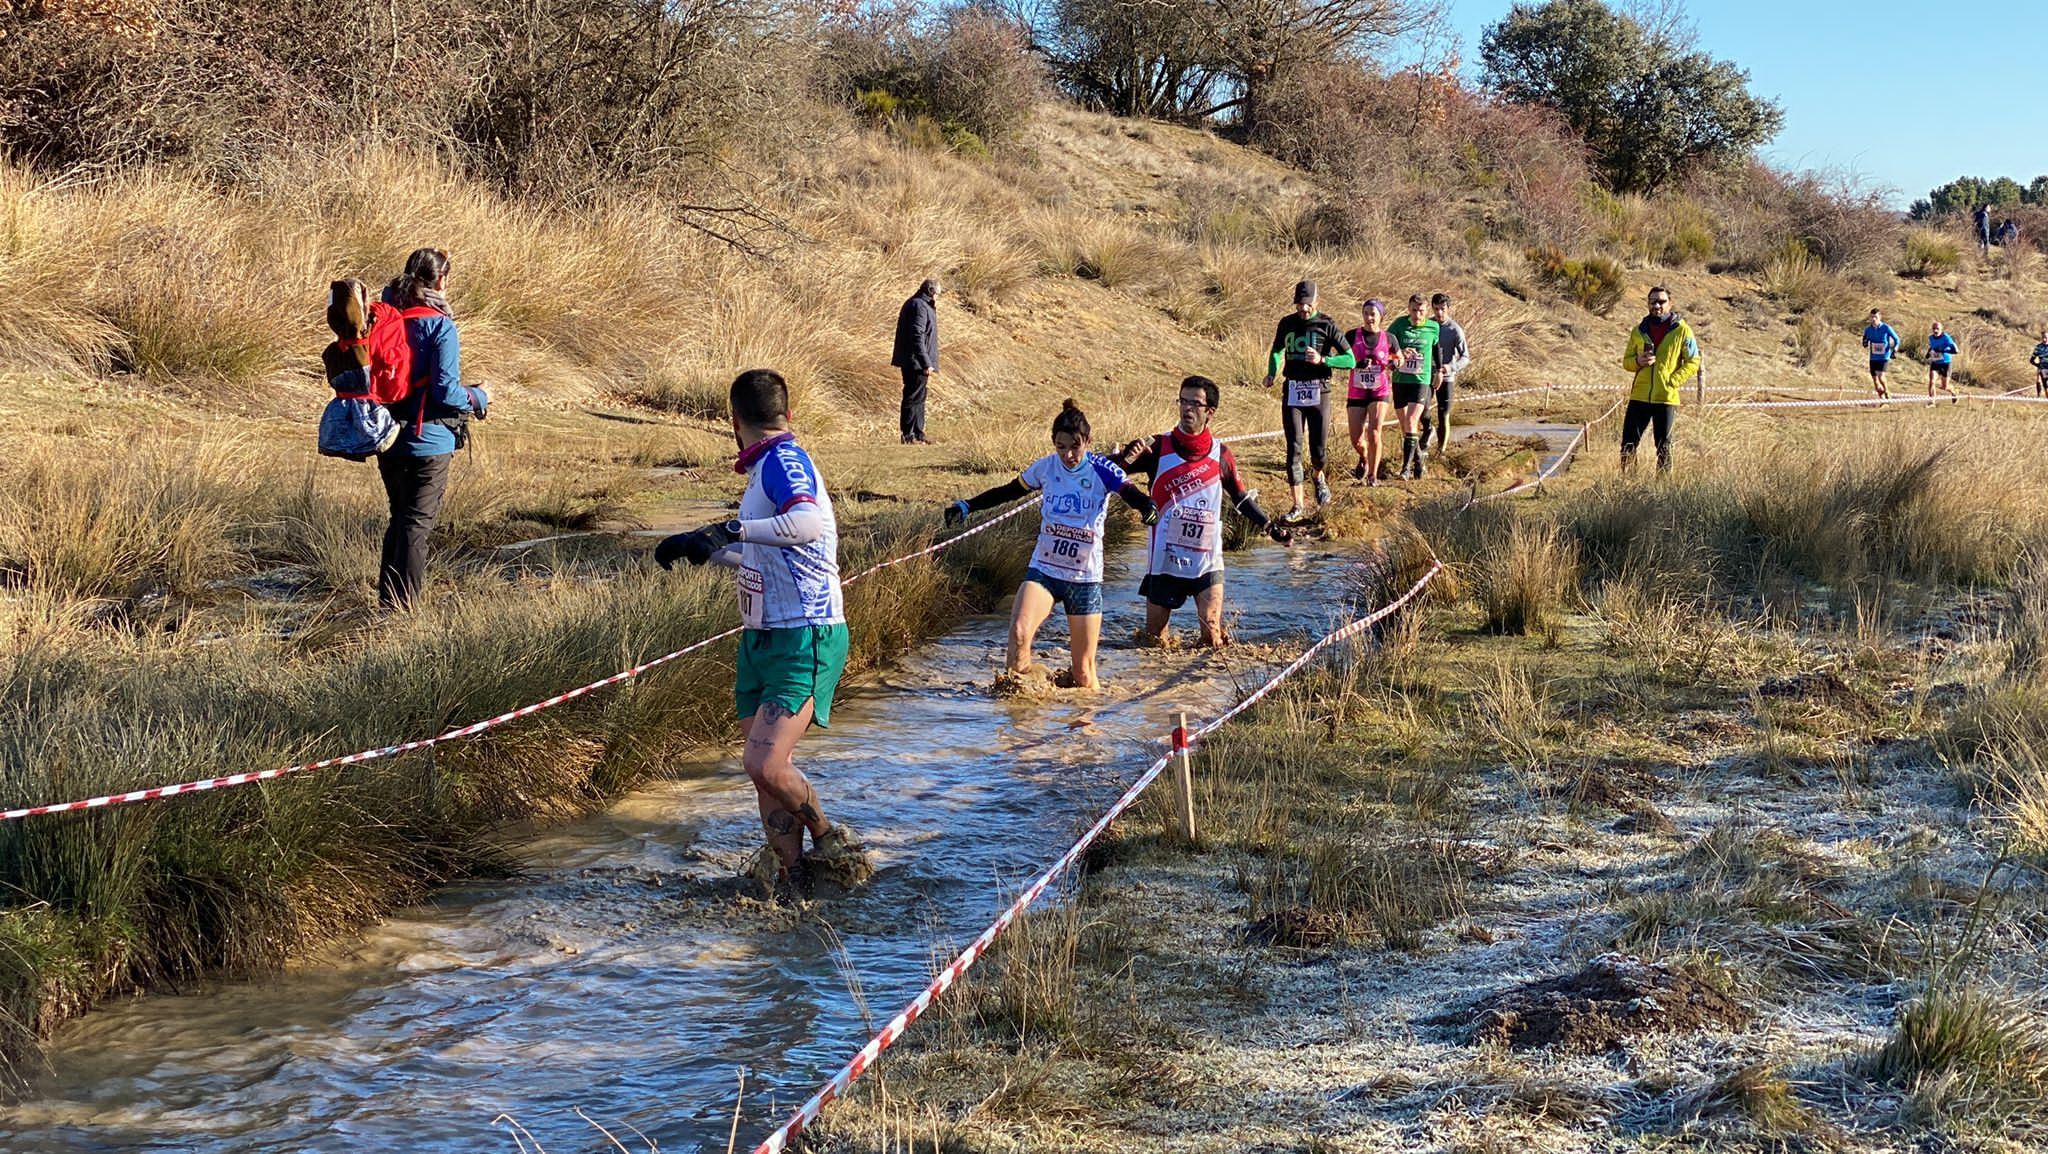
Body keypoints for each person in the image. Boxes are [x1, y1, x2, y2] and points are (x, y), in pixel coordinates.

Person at [655, 368, 866, 896]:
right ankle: (793, 879)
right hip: (760, 637)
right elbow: (766, 553)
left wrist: (728, 528)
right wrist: (705, 549)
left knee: (763, 760)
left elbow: (809, 524)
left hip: (806, 635)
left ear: (733, 420)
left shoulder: (785, 461)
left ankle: (832, 841)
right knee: (765, 771)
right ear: (787, 413)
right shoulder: (762, 470)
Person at [944, 399, 1157, 690]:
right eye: (1061, 447)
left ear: (1088, 442)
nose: (1068, 455)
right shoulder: (1045, 467)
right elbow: (1008, 491)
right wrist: (968, 505)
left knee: (1083, 673)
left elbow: (1131, 493)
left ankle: (1087, 732)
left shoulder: (1101, 468)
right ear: (1053, 443)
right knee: (1019, 634)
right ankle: (1021, 719)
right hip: (1044, 571)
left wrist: (1147, 507)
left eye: (1075, 447)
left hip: (1084, 579)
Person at [1116, 376, 1290, 648]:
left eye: (1195, 403)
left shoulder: (1221, 455)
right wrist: (1127, 458)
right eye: (1183, 401)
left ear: (1210, 412)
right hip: (1165, 559)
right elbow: (1110, 472)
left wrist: (1269, 527)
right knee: (1153, 643)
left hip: (1206, 560)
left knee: (1212, 639)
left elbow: (1241, 499)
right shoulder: (1158, 447)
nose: (1187, 409)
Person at [375, 247, 487, 610]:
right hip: (429, 440)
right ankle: (403, 610)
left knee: (400, 518)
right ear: (441, 280)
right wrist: (479, 396)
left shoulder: (386, 321)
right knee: (416, 525)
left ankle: (388, 603)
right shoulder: (440, 325)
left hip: (387, 436)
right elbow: (446, 391)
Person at [1264, 280, 1354, 520]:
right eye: (1299, 305)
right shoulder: (1287, 323)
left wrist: (1324, 360)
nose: (1303, 310)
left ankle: (1318, 475)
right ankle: (1298, 506)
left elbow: (1350, 359)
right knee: (1293, 447)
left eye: (1308, 305)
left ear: (1316, 302)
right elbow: (1276, 350)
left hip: (1319, 391)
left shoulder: (1327, 324)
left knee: (1318, 451)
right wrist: (1272, 372)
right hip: (1293, 389)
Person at [1619, 286, 1700, 474]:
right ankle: (1628, 487)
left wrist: (1673, 381)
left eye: (1661, 301)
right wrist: (1638, 361)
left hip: (1666, 397)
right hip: (1639, 395)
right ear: (1648, 304)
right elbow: (1626, 362)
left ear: (1670, 304)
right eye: (1652, 301)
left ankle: (1662, 494)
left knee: (1664, 447)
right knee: (1628, 445)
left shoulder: (1682, 330)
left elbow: (1693, 360)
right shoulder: (1638, 331)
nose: (1657, 305)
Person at [1386, 294, 1440, 480]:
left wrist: (1439, 372)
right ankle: (1420, 464)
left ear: (1427, 311)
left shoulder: (1433, 327)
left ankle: (1405, 469)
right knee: (1406, 427)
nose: (1418, 315)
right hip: (1401, 379)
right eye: (1414, 310)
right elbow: (1386, 347)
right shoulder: (1399, 325)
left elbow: (1436, 350)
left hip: (1421, 380)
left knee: (1411, 421)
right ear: (1408, 309)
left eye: (1422, 311)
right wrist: (1399, 353)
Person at [1343, 299, 1396, 486]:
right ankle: (1365, 456)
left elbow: (1399, 357)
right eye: (1366, 313)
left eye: (1373, 314)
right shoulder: (1351, 335)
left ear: (1381, 316)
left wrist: (1395, 363)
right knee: (1356, 439)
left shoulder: (1389, 338)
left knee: (1374, 433)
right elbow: (1341, 358)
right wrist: (1355, 363)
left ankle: (1373, 476)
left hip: (1379, 391)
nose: (1369, 317)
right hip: (1356, 391)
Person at [891, 278, 941, 445]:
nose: (937, 298)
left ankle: (918, 432)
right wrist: (926, 362)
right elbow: (917, 336)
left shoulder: (919, 304)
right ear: (931, 292)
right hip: (915, 361)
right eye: (937, 294)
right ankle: (909, 434)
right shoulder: (919, 306)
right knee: (913, 396)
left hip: (915, 360)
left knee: (919, 396)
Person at [1422, 292, 1469, 455]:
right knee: (1422, 409)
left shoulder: (1455, 330)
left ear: (1448, 308)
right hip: (1427, 375)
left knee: (1443, 413)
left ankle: (1440, 452)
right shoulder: (1427, 325)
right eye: (1436, 309)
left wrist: (1450, 367)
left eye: (1442, 309)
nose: (1439, 313)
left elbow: (1466, 357)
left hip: (1447, 377)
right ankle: (1428, 430)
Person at [1861, 308, 1900, 398]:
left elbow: (1897, 339)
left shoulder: (1886, 328)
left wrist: (1895, 349)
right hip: (1873, 357)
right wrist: (1865, 342)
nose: (1874, 319)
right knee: (1875, 380)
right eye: (1872, 317)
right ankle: (1882, 400)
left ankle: (1886, 392)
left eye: (1875, 317)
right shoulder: (1868, 330)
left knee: (1881, 376)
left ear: (1880, 317)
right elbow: (1865, 339)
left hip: (1884, 356)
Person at [1926, 321, 1960, 401]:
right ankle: (1932, 402)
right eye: (1934, 329)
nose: (1935, 331)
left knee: (1944, 387)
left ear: (1941, 329)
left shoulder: (1946, 337)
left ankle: (1954, 392)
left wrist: (1943, 350)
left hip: (1946, 363)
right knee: (1932, 381)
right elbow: (1932, 347)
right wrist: (1928, 353)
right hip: (1935, 362)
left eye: (1937, 329)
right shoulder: (1931, 338)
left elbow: (1955, 350)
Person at [2030, 327, 2048, 397]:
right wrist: (2038, 365)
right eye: (2043, 337)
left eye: (2046, 337)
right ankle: (2043, 399)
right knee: (2045, 386)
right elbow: (2031, 360)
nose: (2044, 339)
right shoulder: (2038, 347)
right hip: (2043, 369)